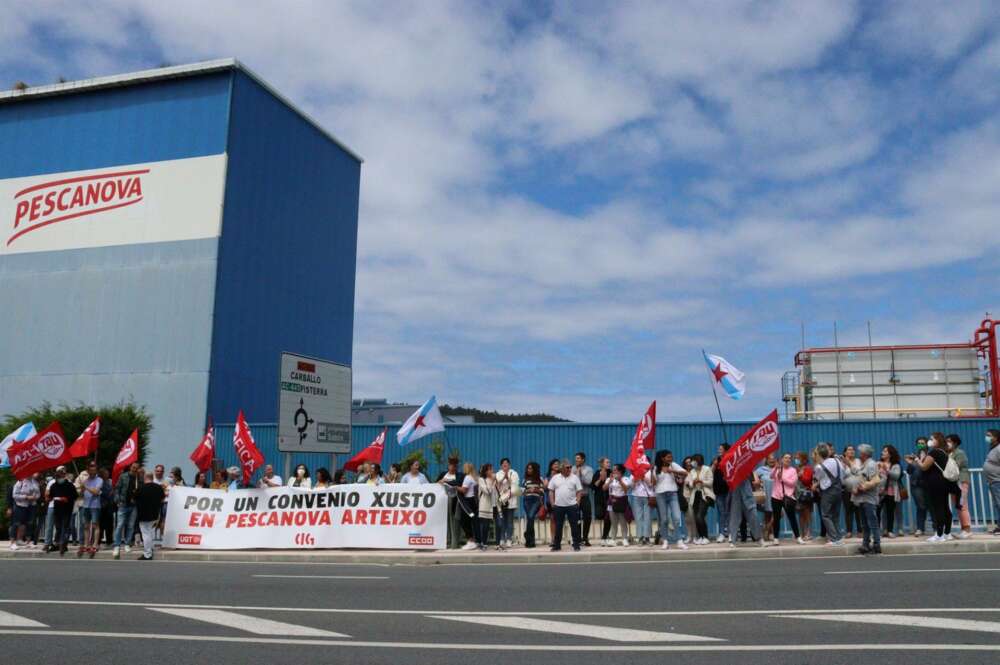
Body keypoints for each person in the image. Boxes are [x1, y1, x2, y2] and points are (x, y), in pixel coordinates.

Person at [913, 433, 956, 542]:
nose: (930, 441)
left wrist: (917, 460)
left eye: (932, 439)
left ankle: (939, 534)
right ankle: (947, 533)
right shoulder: (943, 452)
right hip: (944, 482)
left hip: (935, 483)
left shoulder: (934, 452)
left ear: (937, 440)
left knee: (938, 508)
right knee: (945, 507)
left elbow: (923, 467)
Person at [654, 450, 688, 551]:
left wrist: (672, 471)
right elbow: (652, 483)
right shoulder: (656, 468)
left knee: (677, 518)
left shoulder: (673, 465)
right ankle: (665, 541)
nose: (671, 458)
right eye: (668, 457)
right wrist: (652, 473)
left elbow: (685, 472)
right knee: (664, 519)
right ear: (662, 458)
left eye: (671, 456)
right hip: (660, 494)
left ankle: (679, 541)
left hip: (673, 494)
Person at [851, 444, 882, 555]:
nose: (859, 454)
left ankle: (877, 545)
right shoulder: (864, 464)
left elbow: (875, 480)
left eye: (860, 452)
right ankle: (865, 544)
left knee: (872, 523)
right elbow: (859, 476)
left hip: (869, 498)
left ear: (864, 454)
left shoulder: (871, 464)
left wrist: (861, 487)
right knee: (864, 524)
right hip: (862, 499)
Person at [548, 459, 584, 552]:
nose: (570, 469)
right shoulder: (555, 478)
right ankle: (557, 545)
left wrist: (577, 503)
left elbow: (579, 491)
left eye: (570, 467)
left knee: (574, 526)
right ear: (562, 468)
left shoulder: (575, 477)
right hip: (558, 506)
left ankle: (576, 545)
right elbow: (551, 491)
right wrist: (552, 503)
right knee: (558, 526)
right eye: (567, 467)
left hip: (572, 505)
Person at [814, 444, 843, 546]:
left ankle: (833, 539)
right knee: (835, 515)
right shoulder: (837, 461)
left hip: (828, 491)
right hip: (839, 490)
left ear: (819, 454)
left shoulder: (819, 466)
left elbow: (818, 478)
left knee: (826, 515)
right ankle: (838, 538)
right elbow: (843, 473)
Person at [771, 453, 803, 544]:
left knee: (792, 517)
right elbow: (771, 476)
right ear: (781, 459)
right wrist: (775, 469)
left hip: (787, 497)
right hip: (776, 496)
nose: (787, 459)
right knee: (776, 518)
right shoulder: (777, 468)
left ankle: (798, 537)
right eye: (785, 458)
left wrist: (782, 478)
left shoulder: (793, 470)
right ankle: (776, 538)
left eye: (789, 458)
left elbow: (792, 483)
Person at [728, 469, 765, 548]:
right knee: (735, 518)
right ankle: (733, 540)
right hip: (736, 495)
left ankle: (759, 538)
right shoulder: (730, 467)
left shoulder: (746, 465)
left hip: (747, 494)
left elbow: (754, 481)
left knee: (753, 516)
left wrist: (747, 474)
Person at [945, 434, 972, 539]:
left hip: (961, 481)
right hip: (954, 483)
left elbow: (955, 466)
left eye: (949, 441)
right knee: (958, 506)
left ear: (955, 442)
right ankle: (963, 529)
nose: (947, 443)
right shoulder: (950, 453)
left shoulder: (960, 453)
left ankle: (967, 529)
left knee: (962, 505)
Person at [684, 454, 714, 545]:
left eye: (694, 461)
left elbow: (710, 482)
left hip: (705, 494)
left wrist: (701, 481)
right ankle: (700, 537)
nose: (692, 463)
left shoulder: (707, 469)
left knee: (700, 516)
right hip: (695, 495)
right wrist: (693, 482)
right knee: (696, 517)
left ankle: (705, 537)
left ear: (698, 461)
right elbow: (689, 484)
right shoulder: (692, 471)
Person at [112, 462, 140, 559]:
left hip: (134, 506)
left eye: (136, 468)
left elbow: (140, 491)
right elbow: (117, 489)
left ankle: (127, 544)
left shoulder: (139, 479)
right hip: (123, 504)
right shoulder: (123, 476)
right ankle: (116, 545)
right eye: (133, 467)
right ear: (130, 467)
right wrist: (117, 500)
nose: (134, 469)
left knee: (131, 526)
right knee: (120, 525)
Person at [134, 472, 165, 561]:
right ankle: (149, 550)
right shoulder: (158, 487)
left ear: (145, 477)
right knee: (150, 533)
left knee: (145, 534)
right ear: (152, 477)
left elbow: (134, 499)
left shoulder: (140, 488)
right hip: (155, 514)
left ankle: (147, 554)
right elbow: (162, 499)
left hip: (143, 514)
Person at [48, 466, 78, 556]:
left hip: (67, 509)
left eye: (60, 476)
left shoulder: (69, 485)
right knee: (58, 527)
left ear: (64, 476)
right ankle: (58, 543)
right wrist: (49, 498)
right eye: (57, 477)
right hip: (57, 509)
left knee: (65, 527)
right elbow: (50, 496)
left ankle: (63, 544)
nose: (59, 478)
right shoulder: (54, 485)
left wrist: (67, 499)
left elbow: (75, 496)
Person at [435, 457, 464, 549]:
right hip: (443, 501)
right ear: (448, 465)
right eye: (451, 465)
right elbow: (435, 483)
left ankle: (454, 543)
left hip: (455, 501)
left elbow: (458, 483)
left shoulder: (459, 475)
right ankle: (446, 542)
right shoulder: (443, 474)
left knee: (454, 522)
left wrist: (446, 481)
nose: (452, 467)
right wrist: (440, 481)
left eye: (454, 465)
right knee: (445, 522)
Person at [905, 438, 930, 535]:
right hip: (916, 485)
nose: (920, 445)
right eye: (918, 443)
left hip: (928, 485)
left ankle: (937, 528)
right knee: (920, 506)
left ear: (926, 444)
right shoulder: (915, 456)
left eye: (922, 443)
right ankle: (920, 528)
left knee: (931, 506)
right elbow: (909, 471)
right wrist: (910, 464)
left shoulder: (930, 455)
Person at [78, 460, 103, 558]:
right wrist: (82, 489)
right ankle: (86, 544)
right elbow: (81, 494)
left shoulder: (99, 480)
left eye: (94, 470)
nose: (92, 472)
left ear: (96, 471)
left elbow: (96, 492)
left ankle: (95, 544)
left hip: (95, 506)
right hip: (86, 505)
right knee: (86, 526)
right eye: (90, 470)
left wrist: (86, 487)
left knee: (95, 525)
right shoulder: (85, 480)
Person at [9, 473, 41, 550]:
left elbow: (38, 493)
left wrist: (35, 497)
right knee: (17, 523)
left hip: (32, 505)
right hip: (21, 505)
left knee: (30, 523)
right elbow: (14, 495)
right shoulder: (20, 482)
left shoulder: (35, 482)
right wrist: (26, 497)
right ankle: (13, 543)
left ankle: (28, 542)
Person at [628, 459, 654, 546]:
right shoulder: (634, 472)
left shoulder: (650, 472)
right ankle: (640, 537)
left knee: (647, 517)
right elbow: (630, 486)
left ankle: (647, 538)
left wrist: (643, 477)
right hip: (636, 496)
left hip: (647, 497)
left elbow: (652, 484)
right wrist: (635, 479)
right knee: (638, 518)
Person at [878, 445, 902, 539]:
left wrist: (886, 469)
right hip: (879, 492)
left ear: (890, 454)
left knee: (890, 512)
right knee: (877, 512)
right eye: (883, 451)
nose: (882, 453)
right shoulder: (878, 463)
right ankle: (878, 532)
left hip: (890, 492)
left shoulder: (895, 465)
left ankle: (890, 531)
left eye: (885, 451)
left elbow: (896, 476)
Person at [496, 458, 520, 548]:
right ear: (501, 465)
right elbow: (497, 486)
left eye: (506, 463)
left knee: (510, 521)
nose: (505, 465)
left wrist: (508, 478)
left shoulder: (514, 473)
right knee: (501, 521)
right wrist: (503, 478)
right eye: (503, 463)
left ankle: (509, 539)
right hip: (501, 501)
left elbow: (516, 486)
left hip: (511, 500)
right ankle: (502, 539)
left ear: (509, 465)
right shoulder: (498, 474)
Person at [605, 464, 631, 546]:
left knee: (623, 521)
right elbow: (604, 488)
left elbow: (626, 489)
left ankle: (624, 539)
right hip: (612, 501)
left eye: (615, 470)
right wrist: (610, 481)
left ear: (620, 471)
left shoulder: (626, 479)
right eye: (613, 470)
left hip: (622, 501)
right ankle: (613, 539)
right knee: (613, 522)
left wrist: (620, 480)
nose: (613, 471)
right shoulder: (610, 479)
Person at [477, 463, 501, 551]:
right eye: (490, 469)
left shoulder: (495, 479)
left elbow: (499, 490)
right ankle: (484, 543)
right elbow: (487, 491)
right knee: (485, 526)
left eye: (492, 469)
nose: (492, 471)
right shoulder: (481, 479)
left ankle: (498, 544)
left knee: (499, 524)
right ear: (485, 471)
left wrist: (497, 483)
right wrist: (492, 481)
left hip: (496, 504)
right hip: (486, 505)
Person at [572, 452, 594, 546]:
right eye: (576, 458)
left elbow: (589, 482)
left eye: (578, 458)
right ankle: (577, 538)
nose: (576, 460)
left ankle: (585, 537)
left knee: (587, 517)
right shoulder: (572, 469)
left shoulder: (589, 469)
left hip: (584, 496)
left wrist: (581, 475)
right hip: (574, 497)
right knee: (576, 518)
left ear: (583, 459)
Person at [840, 445, 862, 538]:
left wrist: (849, 464)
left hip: (858, 490)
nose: (852, 451)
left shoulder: (858, 461)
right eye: (849, 450)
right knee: (848, 510)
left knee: (858, 511)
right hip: (847, 490)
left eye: (853, 449)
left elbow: (859, 473)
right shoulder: (841, 463)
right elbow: (841, 476)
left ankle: (860, 531)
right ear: (845, 452)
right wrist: (844, 465)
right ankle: (849, 531)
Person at [711, 444, 731, 543]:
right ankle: (722, 533)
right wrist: (714, 465)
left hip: (729, 490)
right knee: (721, 513)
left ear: (726, 450)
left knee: (729, 512)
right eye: (718, 448)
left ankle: (731, 533)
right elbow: (710, 473)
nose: (719, 450)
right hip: (718, 491)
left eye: (721, 449)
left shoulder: (731, 459)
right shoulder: (716, 460)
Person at [521, 462, 544, 548]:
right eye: (528, 468)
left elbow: (542, 491)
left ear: (534, 469)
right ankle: (531, 542)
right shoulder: (525, 479)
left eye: (531, 468)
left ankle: (527, 534)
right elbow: (521, 491)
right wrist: (528, 490)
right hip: (527, 500)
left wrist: (535, 490)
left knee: (531, 517)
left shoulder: (539, 479)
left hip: (536, 500)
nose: (529, 470)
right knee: (530, 519)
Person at [755, 453, 776, 542]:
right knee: (768, 513)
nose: (772, 460)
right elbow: (754, 474)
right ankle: (770, 533)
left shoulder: (777, 469)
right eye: (770, 459)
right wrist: (757, 481)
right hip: (766, 493)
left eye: (773, 458)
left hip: (777, 494)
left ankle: (765, 528)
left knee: (777, 513)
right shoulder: (761, 469)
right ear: (766, 460)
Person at [983, 429, 1000, 536]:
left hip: (998, 480)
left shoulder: (999, 449)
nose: (987, 437)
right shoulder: (994, 448)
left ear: (996, 437)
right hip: (993, 481)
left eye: (989, 435)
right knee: (997, 505)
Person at [458, 462, 479, 550]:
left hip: (467, 502)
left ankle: (471, 541)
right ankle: (473, 540)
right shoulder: (474, 478)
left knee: (464, 521)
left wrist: (455, 487)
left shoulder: (467, 478)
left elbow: (464, 491)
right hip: (473, 501)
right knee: (471, 521)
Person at [591, 457, 612, 545]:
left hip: (609, 497)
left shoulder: (611, 473)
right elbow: (593, 486)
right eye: (607, 462)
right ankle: (605, 535)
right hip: (599, 498)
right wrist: (600, 479)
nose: (609, 464)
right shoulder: (596, 473)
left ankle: (605, 536)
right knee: (599, 515)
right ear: (602, 464)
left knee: (608, 518)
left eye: (609, 462)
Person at [795, 451, 814, 541]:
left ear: (804, 459)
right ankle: (802, 533)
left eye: (798, 458)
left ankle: (808, 533)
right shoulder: (796, 469)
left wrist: (801, 476)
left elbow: (807, 481)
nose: (796, 460)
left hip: (806, 495)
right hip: (797, 495)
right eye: (796, 458)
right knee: (800, 514)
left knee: (807, 514)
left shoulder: (808, 468)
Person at [543, 458, 561, 544]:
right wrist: (552, 478)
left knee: (560, 520)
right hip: (551, 501)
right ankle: (553, 539)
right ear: (551, 466)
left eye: (558, 464)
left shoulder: (562, 475)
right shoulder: (547, 476)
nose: (556, 465)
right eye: (554, 464)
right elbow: (545, 487)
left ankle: (559, 538)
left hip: (561, 500)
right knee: (553, 519)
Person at [98, 468, 114, 547]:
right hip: (102, 506)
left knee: (109, 525)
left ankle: (109, 541)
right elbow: (101, 492)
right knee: (101, 525)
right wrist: (110, 493)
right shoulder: (100, 482)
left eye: (108, 473)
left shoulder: (110, 481)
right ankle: (98, 541)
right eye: (106, 473)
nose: (107, 474)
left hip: (109, 506)